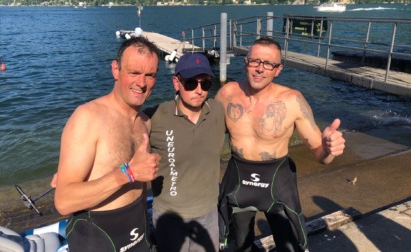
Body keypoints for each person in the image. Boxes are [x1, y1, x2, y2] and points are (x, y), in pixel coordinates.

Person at [216, 37, 346, 252]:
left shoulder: (292, 100)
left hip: (277, 180)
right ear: (245, 62)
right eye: (255, 61)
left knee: (290, 246)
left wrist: (330, 149)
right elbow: (205, 133)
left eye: (268, 64)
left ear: (278, 70)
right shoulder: (226, 94)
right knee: (238, 246)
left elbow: (319, 154)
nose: (260, 69)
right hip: (239, 177)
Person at [53, 36, 161, 252]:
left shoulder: (145, 122)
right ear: (115, 70)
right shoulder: (88, 118)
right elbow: (64, 201)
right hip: (97, 240)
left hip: (139, 236)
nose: (141, 83)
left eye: (150, 75)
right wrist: (128, 172)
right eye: (134, 73)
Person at [144, 53, 226, 252]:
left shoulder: (217, 111)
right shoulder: (155, 116)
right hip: (169, 217)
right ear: (176, 82)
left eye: (205, 84)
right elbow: (122, 136)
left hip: (208, 213)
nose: (199, 91)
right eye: (190, 83)